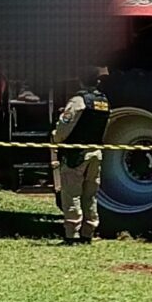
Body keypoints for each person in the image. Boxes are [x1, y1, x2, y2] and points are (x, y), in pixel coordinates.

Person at [52, 68, 111, 242]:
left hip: (76, 154)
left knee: (72, 194)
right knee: (90, 195)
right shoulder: (104, 101)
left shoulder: (79, 101)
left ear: (80, 80)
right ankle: (88, 233)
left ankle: (72, 234)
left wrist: (55, 138)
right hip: (96, 153)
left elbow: (64, 127)